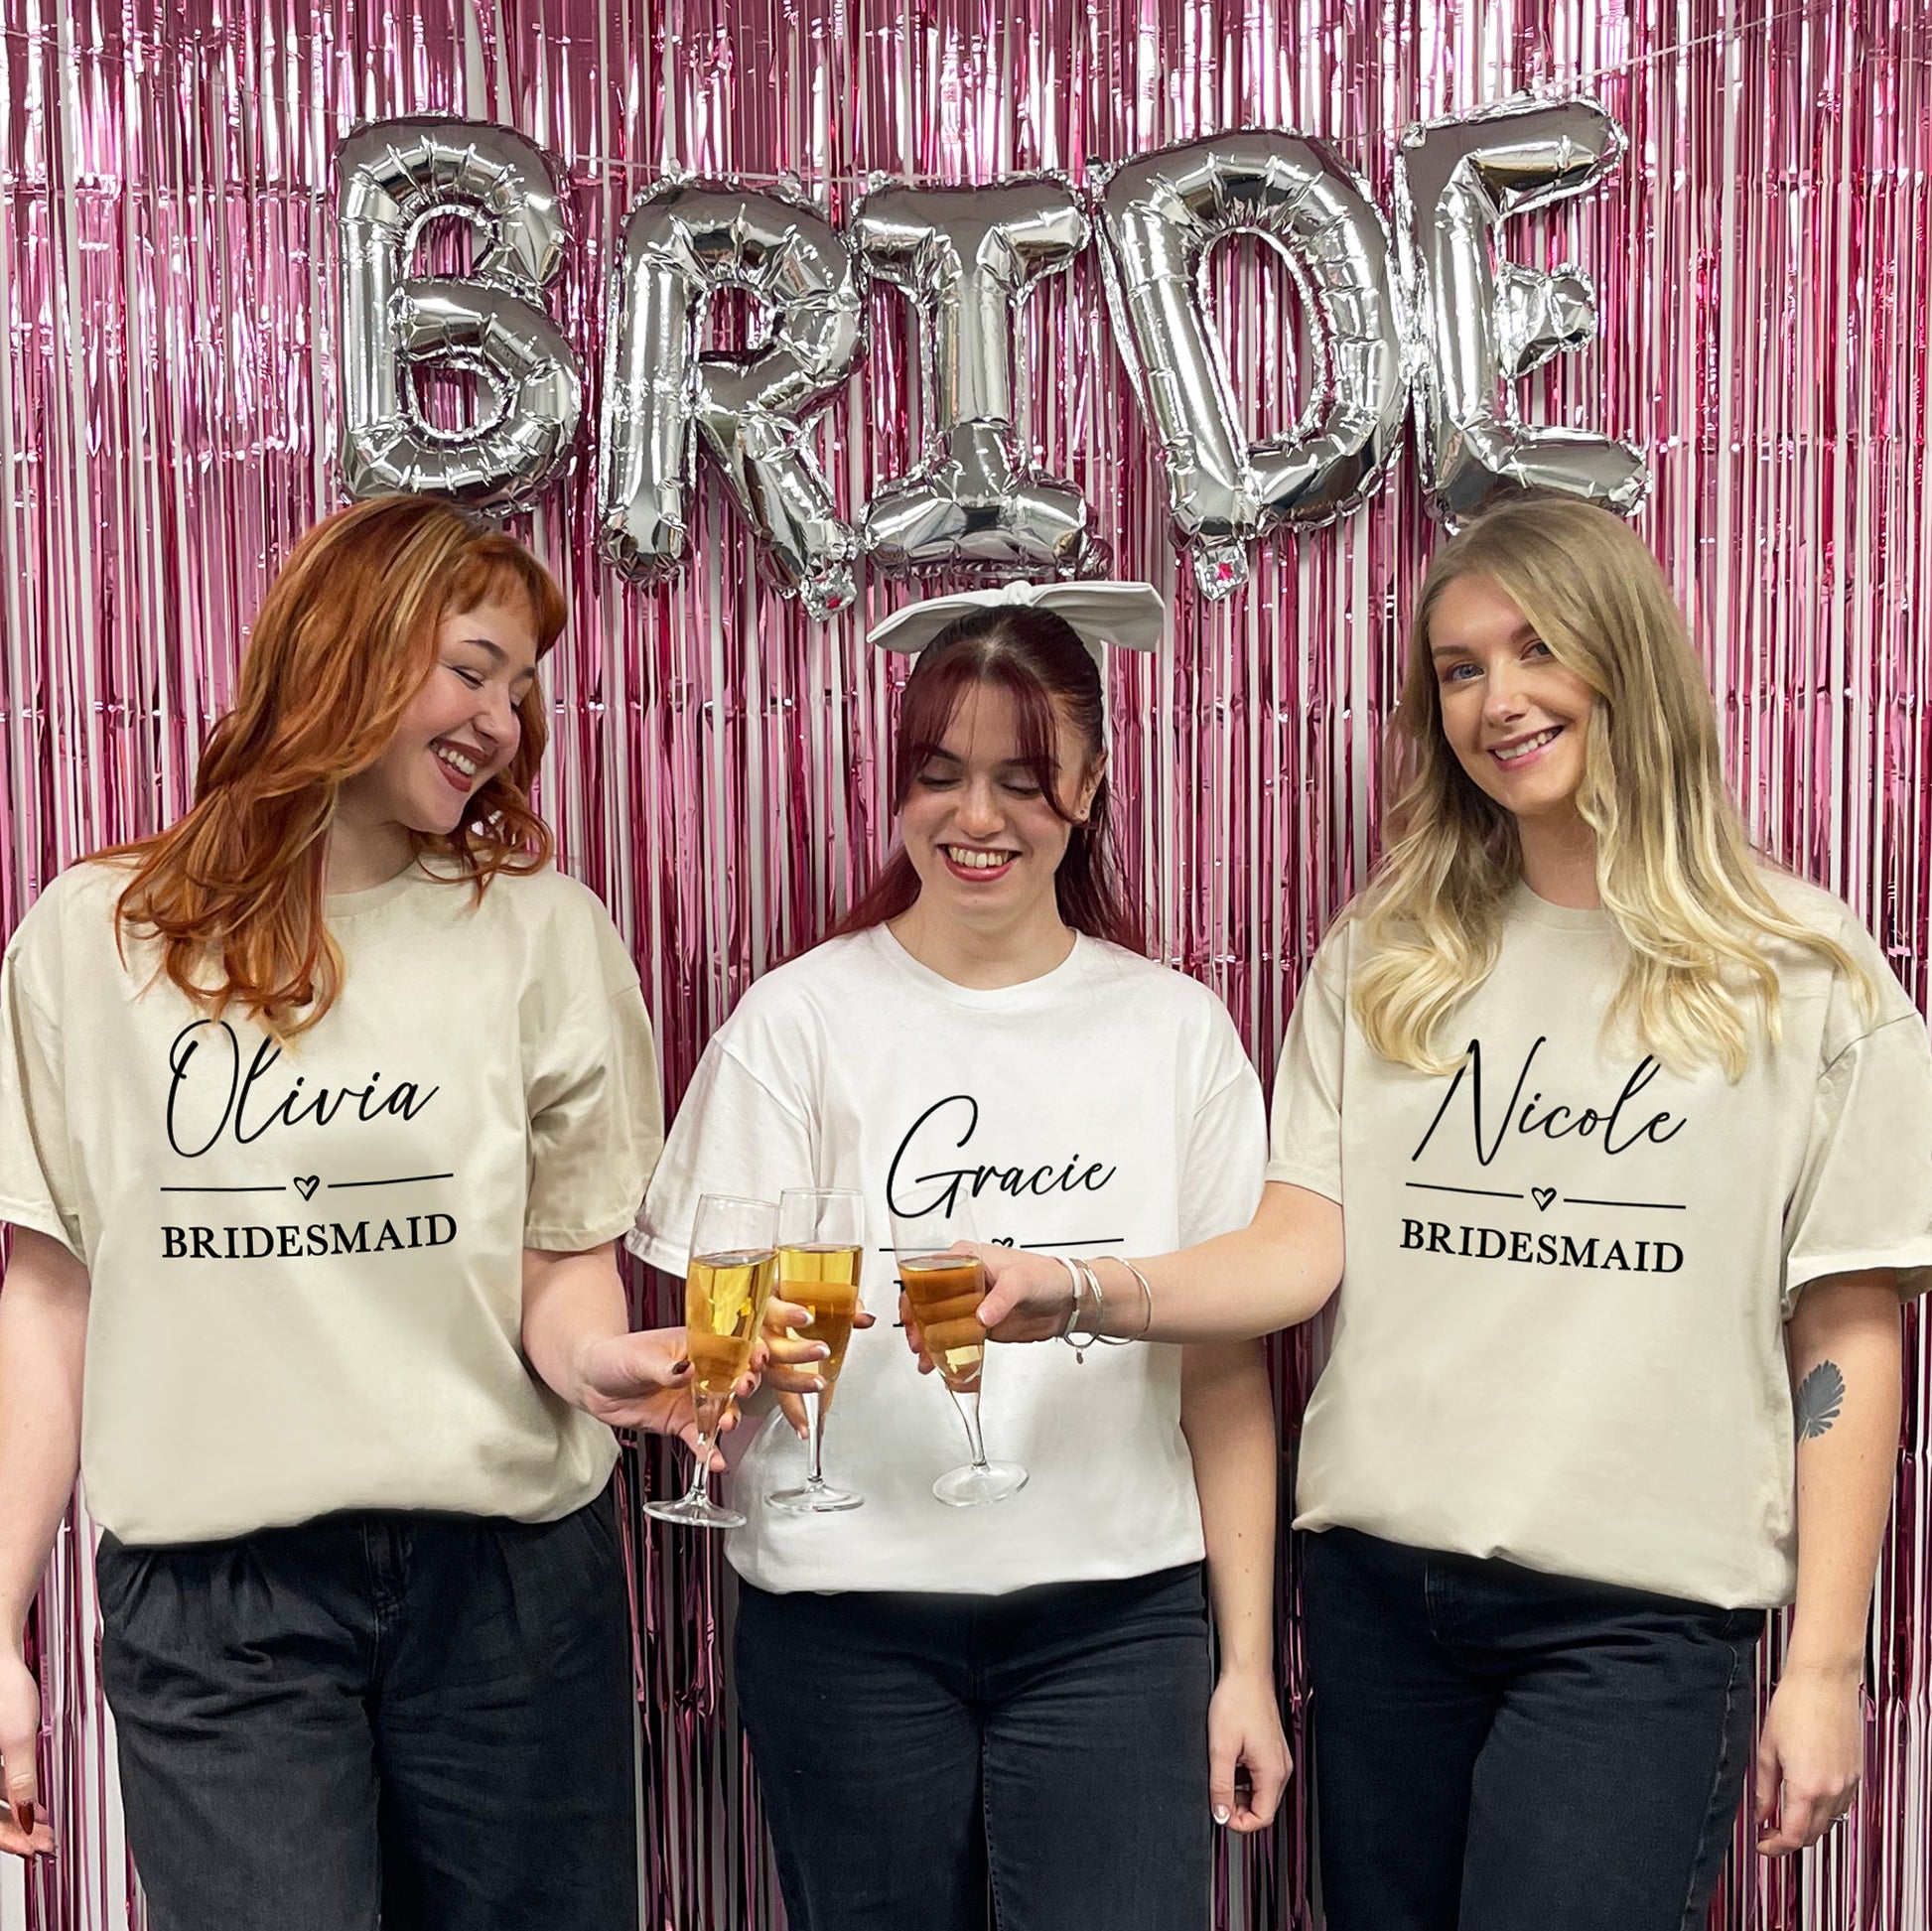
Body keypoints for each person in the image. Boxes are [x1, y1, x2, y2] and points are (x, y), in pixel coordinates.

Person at [962, 500, 1932, 1930]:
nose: (1499, 699)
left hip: (1635, 1620)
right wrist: (1082, 1286)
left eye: (1535, 647)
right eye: (1458, 669)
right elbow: (1298, 1249)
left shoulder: (1801, 970)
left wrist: (1822, 1667)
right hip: (1379, 1598)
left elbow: (1845, 1331)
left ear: (1628, 659)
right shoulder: (1386, 956)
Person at [0, 494, 721, 1929]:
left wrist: (611, 1367)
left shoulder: (542, 931)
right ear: (345, 645)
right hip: (218, 1605)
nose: (506, 718)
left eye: (521, 686)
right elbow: (52, 1297)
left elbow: (558, 1276)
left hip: (506, 1581)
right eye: (474, 664)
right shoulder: (98, 936)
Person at [633, 582, 1290, 1931]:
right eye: (938, 775)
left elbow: (1226, 1374)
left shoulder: (1173, 1032)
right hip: (845, 1621)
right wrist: (733, 1374)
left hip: (1118, 1620)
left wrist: (1243, 1665)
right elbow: (720, 1343)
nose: (974, 818)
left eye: (1018, 778)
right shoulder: (795, 1022)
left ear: (1089, 785)